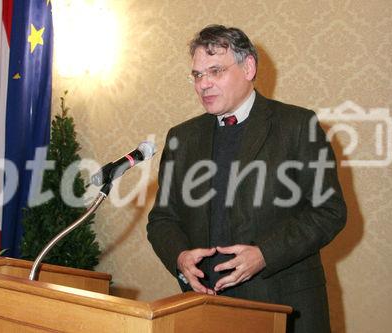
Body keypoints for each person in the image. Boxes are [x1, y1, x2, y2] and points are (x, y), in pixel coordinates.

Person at [147, 24, 346, 333]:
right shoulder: (182, 138)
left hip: (284, 306)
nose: (204, 84)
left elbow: (329, 211)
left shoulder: (296, 125)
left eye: (215, 71)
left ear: (248, 66)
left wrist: (265, 254)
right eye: (198, 75)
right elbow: (162, 219)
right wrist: (180, 258)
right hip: (206, 308)